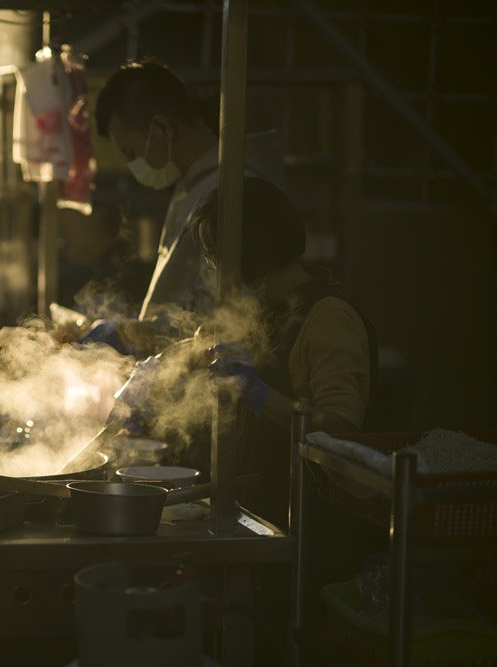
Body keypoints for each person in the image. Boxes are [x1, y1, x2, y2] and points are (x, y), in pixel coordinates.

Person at [192, 177, 375, 522]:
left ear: (251, 251)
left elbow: (342, 430)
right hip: (261, 512)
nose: (214, 270)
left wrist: (259, 394)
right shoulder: (265, 309)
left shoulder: (330, 318)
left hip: (310, 524)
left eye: (216, 258)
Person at [84, 59, 283, 354]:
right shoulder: (194, 185)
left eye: (131, 152)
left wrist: (139, 333)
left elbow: (231, 313)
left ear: (163, 128)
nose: (133, 165)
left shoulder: (232, 189)